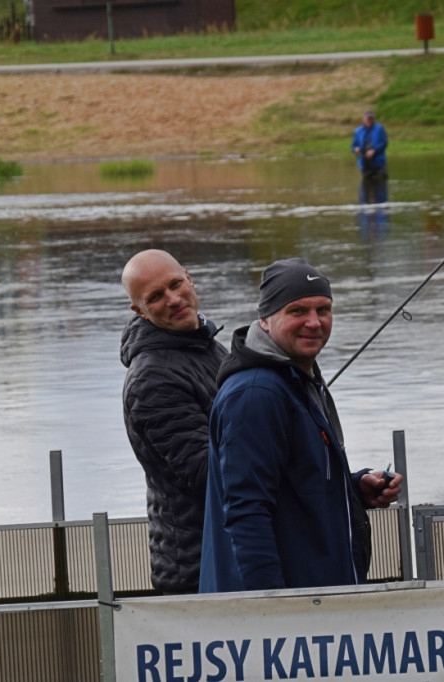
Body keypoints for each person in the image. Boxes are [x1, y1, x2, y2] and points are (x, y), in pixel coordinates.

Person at [199, 257, 403, 593]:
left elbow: (292, 487)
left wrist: (351, 489)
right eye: (297, 311)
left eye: (323, 309)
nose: (314, 322)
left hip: (315, 607)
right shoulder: (256, 395)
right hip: (285, 619)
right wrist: (276, 608)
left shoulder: (297, 379)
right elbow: (247, 513)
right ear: (265, 319)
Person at [120, 249, 227, 594]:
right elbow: (207, 474)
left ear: (189, 278)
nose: (173, 298)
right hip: (200, 570)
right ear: (139, 311)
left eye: (175, 284)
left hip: (232, 551)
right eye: (155, 296)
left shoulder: (206, 346)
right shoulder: (152, 379)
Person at [350, 109, 389, 204]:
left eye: (371, 118)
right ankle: (367, 202)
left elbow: (384, 142)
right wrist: (356, 149)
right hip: (364, 163)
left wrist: (374, 150)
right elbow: (353, 146)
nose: (369, 120)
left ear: (374, 119)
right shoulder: (358, 131)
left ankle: (380, 202)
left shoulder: (379, 129)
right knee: (366, 185)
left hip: (378, 162)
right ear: (363, 119)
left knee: (381, 184)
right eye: (367, 118)